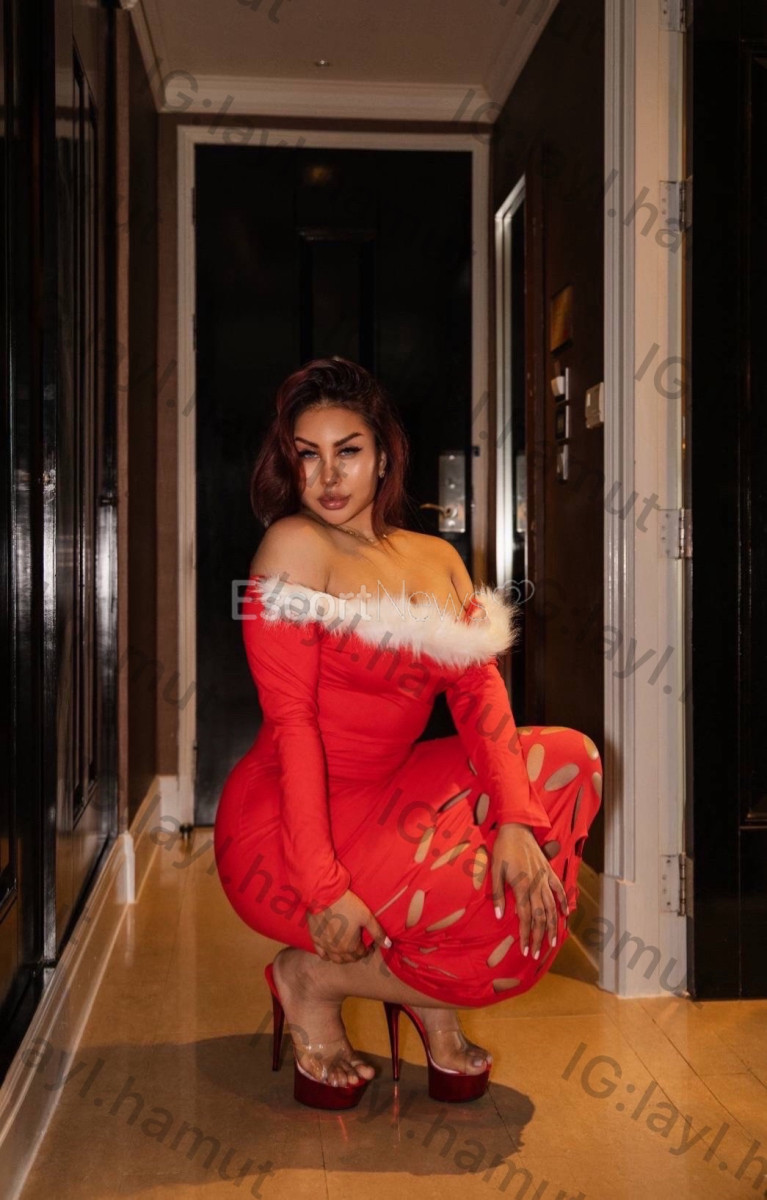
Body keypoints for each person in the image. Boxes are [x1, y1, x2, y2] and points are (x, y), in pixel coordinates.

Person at [213, 356, 603, 1108]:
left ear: (384, 456)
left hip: (389, 797)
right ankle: (312, 978)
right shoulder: (295, 546)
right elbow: (293, 727)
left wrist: (516, 822)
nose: (328, 476)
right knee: (502, 941)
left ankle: (423, 985)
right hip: (288, 824)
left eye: (348, 451)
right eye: (307, 454)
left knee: (569, 759)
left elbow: (480, 697)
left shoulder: (436, 558)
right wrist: (324, 886)